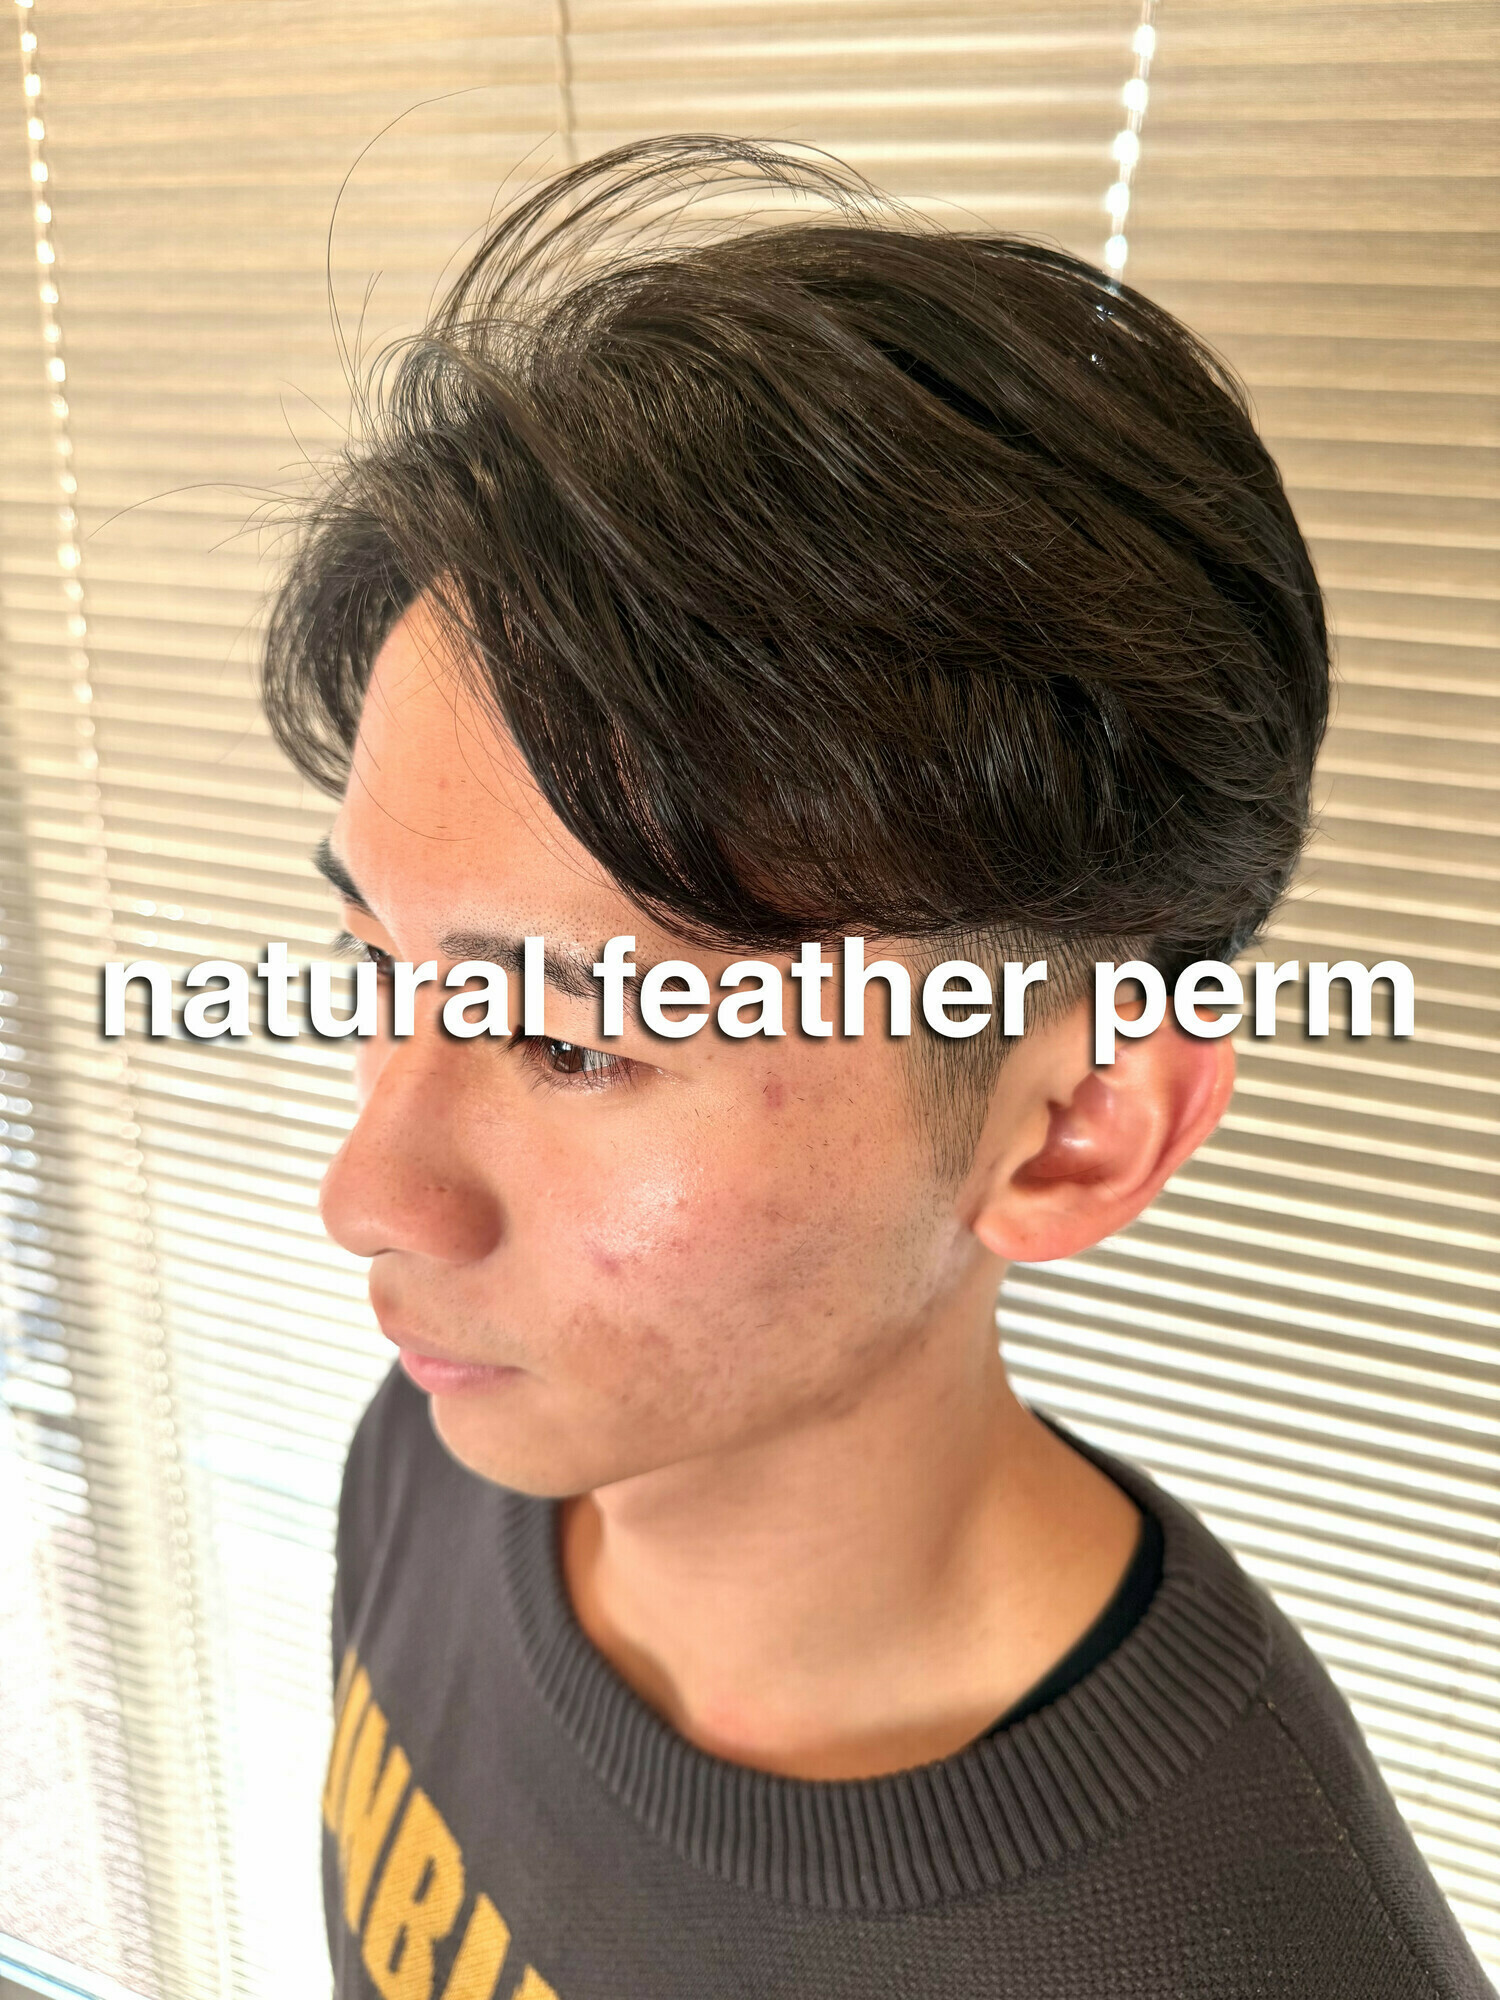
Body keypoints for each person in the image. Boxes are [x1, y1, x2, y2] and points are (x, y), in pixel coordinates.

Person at [261, 136, 1492, 1999]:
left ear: (1077, 1132)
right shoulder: (440, 1450)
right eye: (378, 965)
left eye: (574, 1041)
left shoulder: (1231, 1956)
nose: (368, 1193)